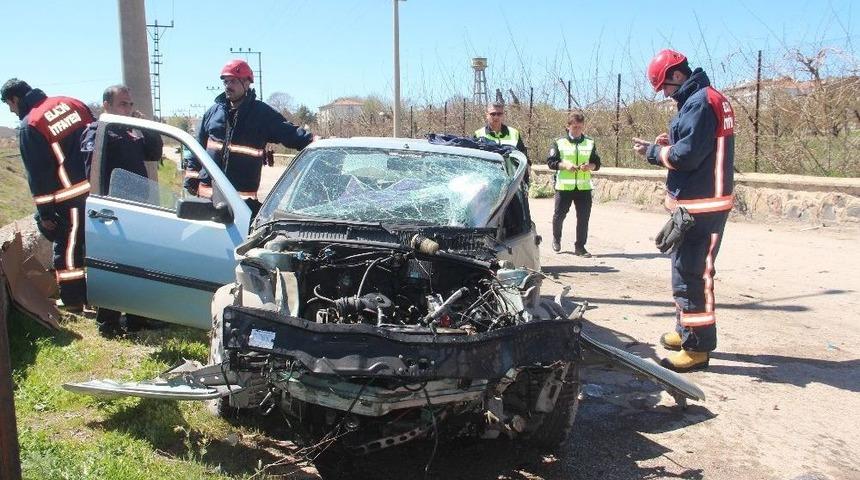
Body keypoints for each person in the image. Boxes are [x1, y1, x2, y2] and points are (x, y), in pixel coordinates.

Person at [632, 49, 735, 372]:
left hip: (700, 207)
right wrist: (669, 142)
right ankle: (685, 330)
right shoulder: (703, 98)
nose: (665, 93)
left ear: (677, 75)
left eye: (665, 86)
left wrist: (654, 152)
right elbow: (696, 144)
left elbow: (688, 157)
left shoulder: (700, 102)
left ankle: (697, 349)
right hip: (698, 204)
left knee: (692, 275)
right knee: (683, 272)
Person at [1, 78, 93, 312]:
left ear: (15, 99)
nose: (11, 111)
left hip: (69, 197)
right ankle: (103, 297)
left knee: (68, 248)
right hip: (97, 190)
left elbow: (38, 174)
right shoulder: (72, 103)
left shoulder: (31, 124)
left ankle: (73, 300)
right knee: (96, 245)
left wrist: (45, 213)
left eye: (9, 105)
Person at [80, 85, 164, 336]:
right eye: (122, 104)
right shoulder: (98, 132)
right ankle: (108, 322)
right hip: (113, 213)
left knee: (137, 265)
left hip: (136, 210)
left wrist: (147, 127)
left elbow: (154, 153)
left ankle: (137, 318)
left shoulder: (130, 132)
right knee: (112, 267)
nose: (128, 109)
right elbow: (93, 173)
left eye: (130, 104)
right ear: (107, 105)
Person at [185, 59, 315, 217]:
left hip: (242, 207)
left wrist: (313, 141)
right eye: (225, 81)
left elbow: (289, 133)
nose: (228, 86)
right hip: (207, 202)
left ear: (247, 83)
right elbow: (197, 148)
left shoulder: (261, 114)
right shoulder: (213, 113)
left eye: (233, 81)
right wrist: (191, 176)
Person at [547, 111, 600, 257]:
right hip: (564, 187)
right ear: (568, 126)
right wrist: (565, 166)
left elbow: (596, 163)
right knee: (559, 216)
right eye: (575, 127)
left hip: (584, 187)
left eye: (580, 127)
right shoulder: (559, 142)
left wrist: (589, 166)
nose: (577, 130)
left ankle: (580, 247)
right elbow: (551, 163)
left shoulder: (590, 142)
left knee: (583, 218)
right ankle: (556, 239)